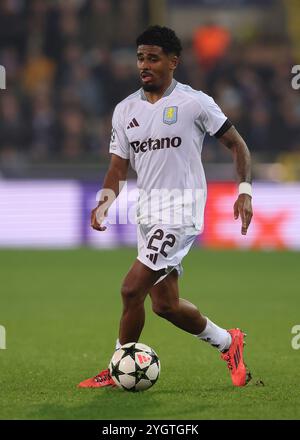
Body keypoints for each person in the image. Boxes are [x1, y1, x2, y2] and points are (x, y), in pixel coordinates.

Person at [78, 26, 253, 389]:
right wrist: (105, 202)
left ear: (173, 62)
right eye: (141, 58)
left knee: (130, 290)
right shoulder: (125, 110)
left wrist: (245, 190)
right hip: (149, 212)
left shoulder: (195, 102)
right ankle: (228, 341)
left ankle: (117, 368)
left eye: (153, 58)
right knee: (165, 305)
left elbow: (237, 145)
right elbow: (117, 166)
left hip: (181, 211)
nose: (144, 65)